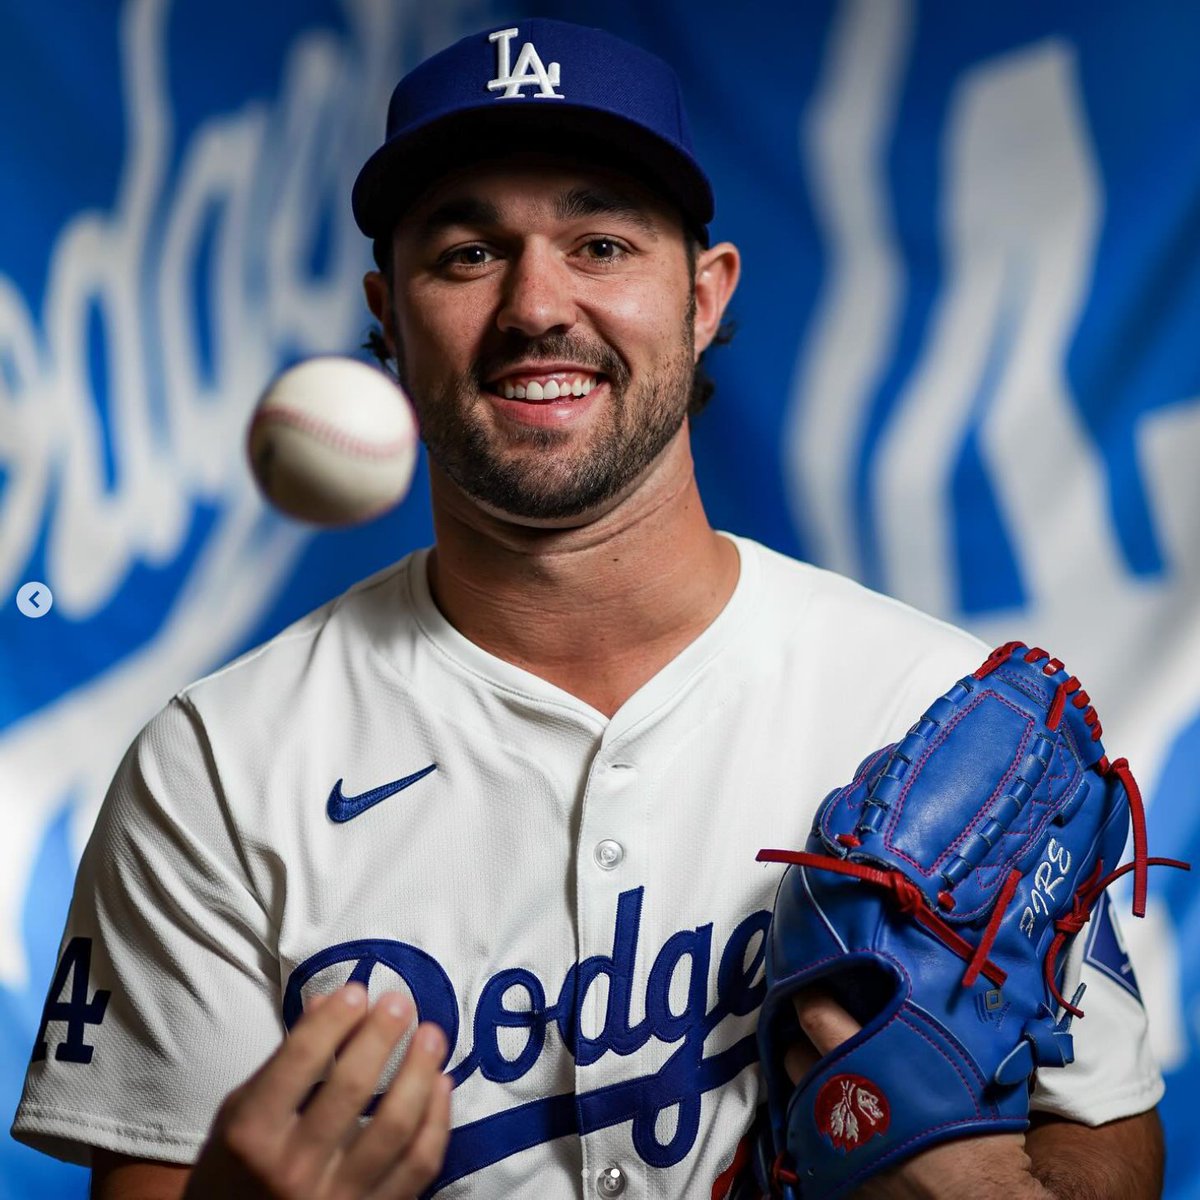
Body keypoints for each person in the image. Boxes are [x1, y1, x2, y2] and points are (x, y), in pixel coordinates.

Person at [13, 18, 1166, 1200]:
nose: (536, 305)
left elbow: (1109, 1126)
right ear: (388, 318)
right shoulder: (215, 769)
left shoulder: (925, 707)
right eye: (466, 253)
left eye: (602, 243)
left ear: (705, 297)